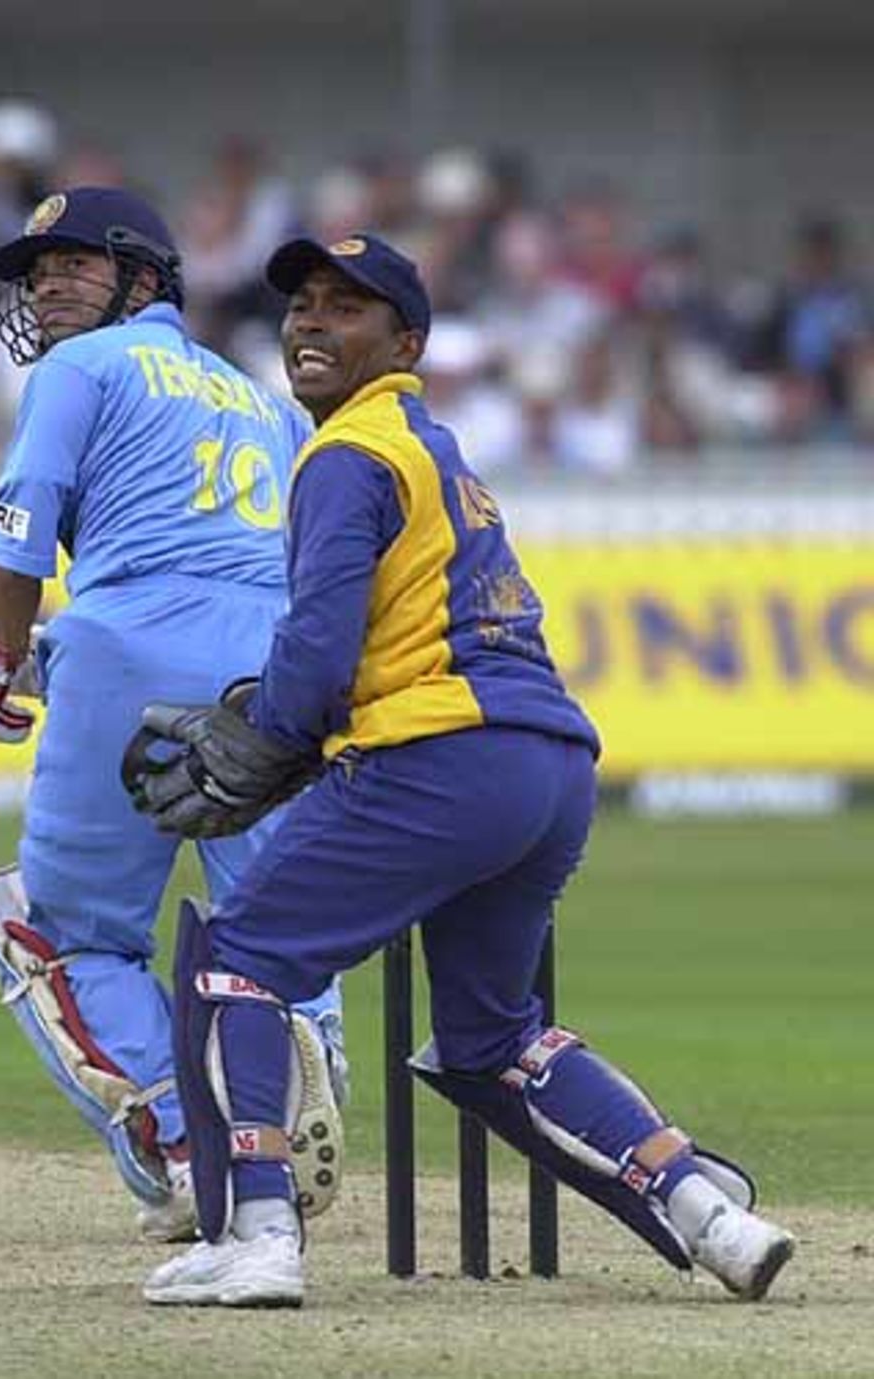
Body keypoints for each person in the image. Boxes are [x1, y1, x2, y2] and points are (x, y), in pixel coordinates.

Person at [124, 232, 796, 1307]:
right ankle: (705, 1209)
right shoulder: (435, 450)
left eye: (345, 309)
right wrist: (290, 719)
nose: (309, 323)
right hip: (543, 765)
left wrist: (277, 729)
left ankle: (255, 1235)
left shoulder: (347, 452)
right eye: (302, 305)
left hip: (437, 756)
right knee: (490, 1041)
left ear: (407, 341)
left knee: (236, 964)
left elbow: (320, 637)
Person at [0, 186, 345, 1245]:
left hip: (127, 649)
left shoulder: (76, 368)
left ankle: (180, 1144)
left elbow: (19, 537)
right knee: (279, 924)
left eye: (73, 265)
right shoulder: (261, 397)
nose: (46, 286)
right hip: (276, 666)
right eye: (37, 274)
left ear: (143, 277)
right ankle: (305, 1081)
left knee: (61, 933)